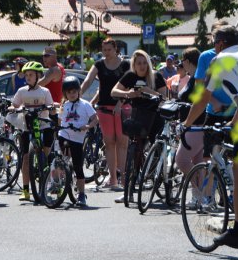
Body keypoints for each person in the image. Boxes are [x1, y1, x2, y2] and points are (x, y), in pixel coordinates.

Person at [183, 25, 238, 249]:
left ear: (221, 43)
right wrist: (233, 123)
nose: (214, 48)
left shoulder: (219, 60)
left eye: (214, 43)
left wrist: (186, 124)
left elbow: (204, 99)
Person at [111, 50, 168, 203]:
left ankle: (159, 179)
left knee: (157, 151)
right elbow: (114, 91)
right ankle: (128, 191)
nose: (142, 66)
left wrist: (149, 92)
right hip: (138, 117)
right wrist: (128, 94)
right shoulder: (130, 76)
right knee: (135, 152)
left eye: (144, 63)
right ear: (134, 65)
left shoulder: (156, 76)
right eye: (139, 63)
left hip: (155, 118)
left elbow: (165, 99)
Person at [80, 38, 130, 188]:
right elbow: (88, 81)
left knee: (122, 143)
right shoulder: (99, 64)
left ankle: (123, 178)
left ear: (116, 49)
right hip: (104, 107)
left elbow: (130, 84)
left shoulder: (126, 64)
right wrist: (77, 95)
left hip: (123, 106)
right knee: (109, 143)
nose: (106, 53)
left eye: (109, 50)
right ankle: (112, 178)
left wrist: (120, 102)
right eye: (104, 50)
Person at [9, 61, 56, 201]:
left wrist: (51, 108)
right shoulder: (22, 91)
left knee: (47, 155)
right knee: (25, 158)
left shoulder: (44, 91)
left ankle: (48, 183)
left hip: (43, 125)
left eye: (31, 75)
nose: (28, 77)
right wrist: (14, 108)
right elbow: (15, 104)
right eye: (26, 75)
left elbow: (51, 106)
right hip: (27, 126)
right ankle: (26, 190)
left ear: (38, 76)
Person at [58, 76, 98, 207]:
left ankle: (81, 194)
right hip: (64, 135)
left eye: (74, 91)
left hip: (77, 139)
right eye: (69, 92)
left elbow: (95, 119)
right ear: (65, 93)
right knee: (61, 160)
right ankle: (58, 183)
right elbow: (60, 120)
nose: (72, 94)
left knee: (78, 167)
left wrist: (87, 126)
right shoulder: (64, 105)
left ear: (79, 91)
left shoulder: (85, 105)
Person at [174, 48, 206, 188]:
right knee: (198, 162)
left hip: (195, 125)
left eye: (182, 61)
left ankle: (199, 191)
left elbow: (199, 101)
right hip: (193, 125)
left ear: (187, 61)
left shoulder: (196, 79)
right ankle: (199, 196)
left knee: (181, 160)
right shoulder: (193, 77)